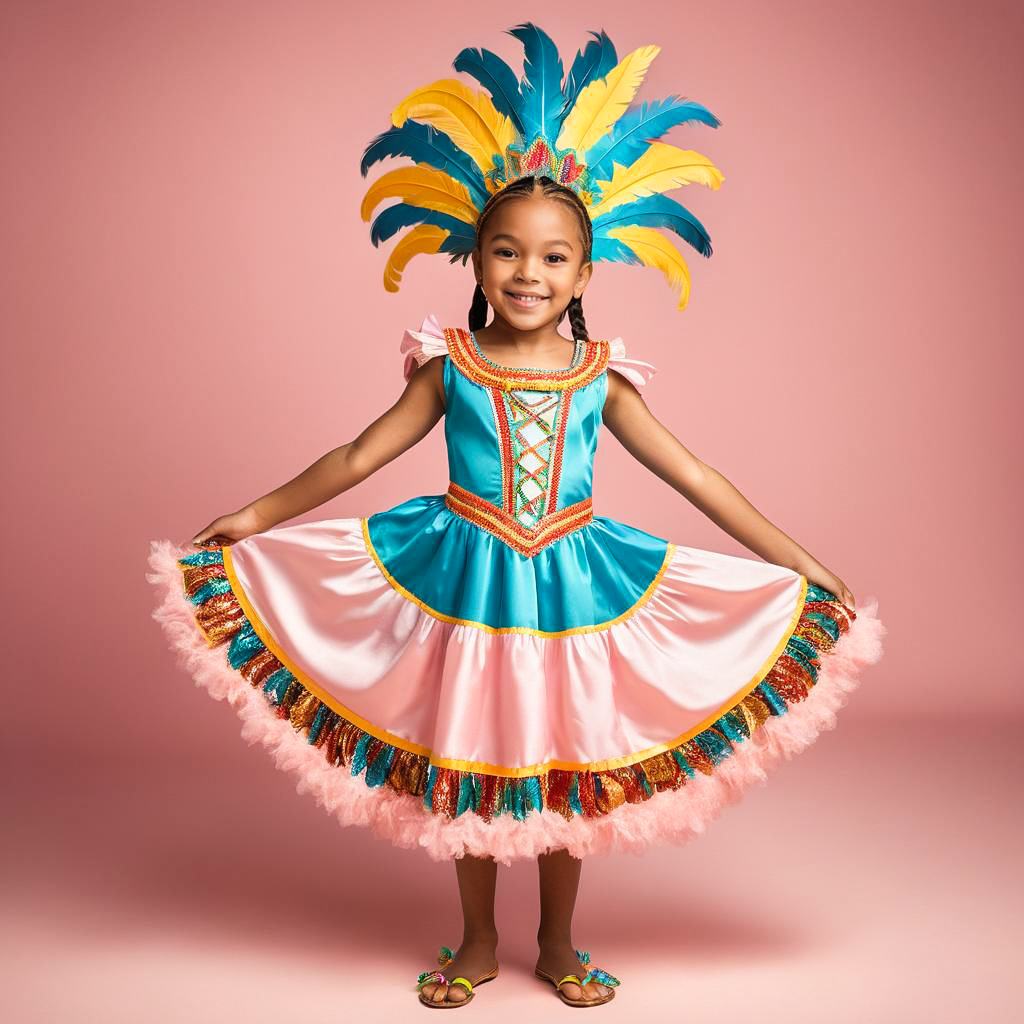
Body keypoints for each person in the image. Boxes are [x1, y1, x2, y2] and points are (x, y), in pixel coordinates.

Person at [147, 22, 885, 1010]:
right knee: (471, 763)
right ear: (475, 259)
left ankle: (563, 942)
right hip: (460, 582)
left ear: (585, 276)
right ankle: (476, 938)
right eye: (506, 251)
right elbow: (361, 454)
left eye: (552, 258)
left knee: (567, 769)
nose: (527, 274)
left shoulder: (600, 378)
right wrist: (253, 512)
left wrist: (804, 561)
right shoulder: (448, 363)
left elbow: (697, 477)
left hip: (574, 593)